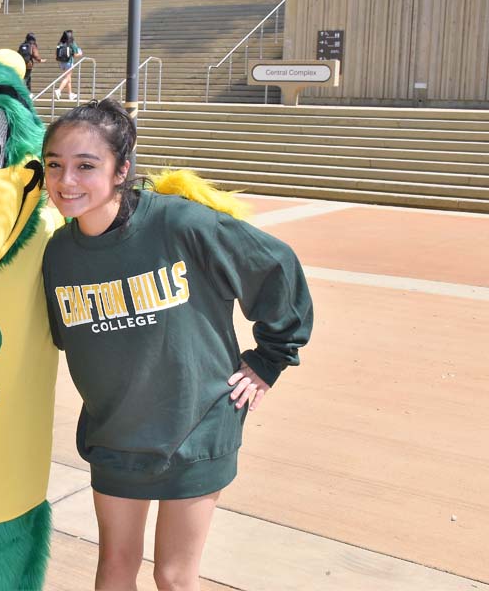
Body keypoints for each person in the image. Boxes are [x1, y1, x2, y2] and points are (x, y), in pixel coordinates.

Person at [40, 100, 312, 591]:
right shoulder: (59, 253)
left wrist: (269, 360)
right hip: (116, 435)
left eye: (86, 165)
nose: (67, 180)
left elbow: (275, 266)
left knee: (173, 577)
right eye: (54, 164)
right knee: (115, 568)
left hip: (195, 427)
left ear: (122, 169)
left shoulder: (181, 225)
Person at [54, 29, 82, 101]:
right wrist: (80, 54)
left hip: (61, 62)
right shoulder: (72, 43)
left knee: (69, 79)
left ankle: (70, 94)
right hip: (69, 62)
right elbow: (75, 55)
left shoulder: (60, 43)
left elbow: (56, 53)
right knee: (67, 78)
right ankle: (59, 90)